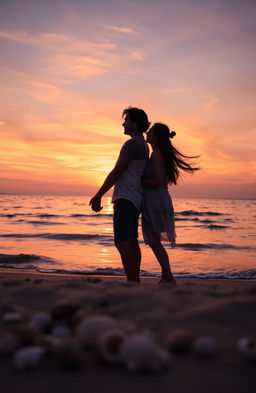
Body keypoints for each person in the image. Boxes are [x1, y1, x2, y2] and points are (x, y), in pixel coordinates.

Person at [90, 107, 150, 282]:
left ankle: (132, 281)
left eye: (127, 120)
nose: (123, 124)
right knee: (131, 240)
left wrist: (99, 194)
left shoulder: (132, 144)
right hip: (134, 199)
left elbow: (117, 172)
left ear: (135, 124)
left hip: (126, 199)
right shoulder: (143, 145)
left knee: (122, 241)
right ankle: (135, 280)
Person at [142, 123, 199, 286]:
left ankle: (168, 277)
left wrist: (137, 181)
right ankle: (167, 276)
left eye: (150, 131)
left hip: (156, 201)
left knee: (154, 240)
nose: (147, 132)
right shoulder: (157, 154)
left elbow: (157, 181)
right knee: (154, 240)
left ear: (156, 136)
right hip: (157, 200)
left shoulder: (157, 155)